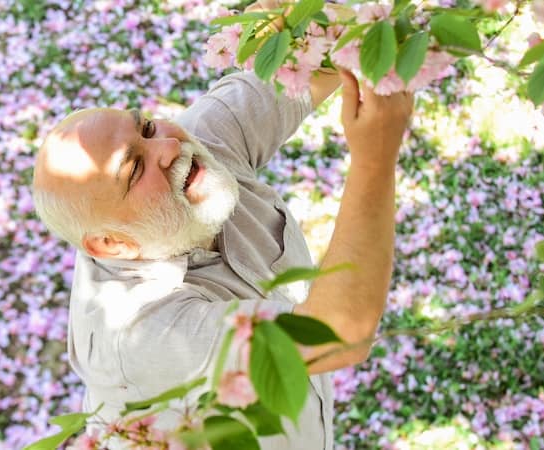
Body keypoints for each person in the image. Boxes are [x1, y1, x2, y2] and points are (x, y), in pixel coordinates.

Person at [32, 23, 413, 450]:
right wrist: (375, 159)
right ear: (112, 244)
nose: (169, 147)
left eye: (146, 128)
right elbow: (338, 332)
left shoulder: (193, 144)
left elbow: (313, 65)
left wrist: (302, 24)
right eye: (135, 170)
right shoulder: (140, 333)